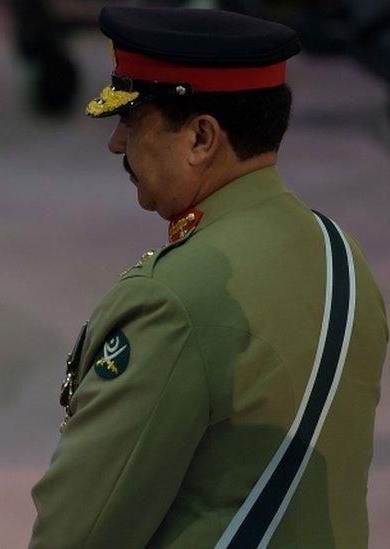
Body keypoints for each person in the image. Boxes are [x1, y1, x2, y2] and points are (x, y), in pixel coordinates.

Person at [29, 7, 387, 548]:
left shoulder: (171, 299)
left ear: (201, 138)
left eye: (132, 120)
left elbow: (82, 528)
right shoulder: (343, 257)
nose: (117, 144)